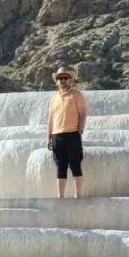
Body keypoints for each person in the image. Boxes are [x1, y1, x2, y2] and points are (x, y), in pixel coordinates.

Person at [47, 65, 86, 199]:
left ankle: (78, 195)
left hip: (72, 133)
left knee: (75, 164)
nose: (62, 80)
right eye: (60, 78)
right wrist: (49, 137)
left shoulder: (76, 94)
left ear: (71, 79)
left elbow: (82, 113)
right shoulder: (54, 98)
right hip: (57, 135)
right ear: (57, 81)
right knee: (60, 166)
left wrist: (80, 129)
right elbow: (51, 119)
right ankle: (61, 196)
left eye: (65, 77)